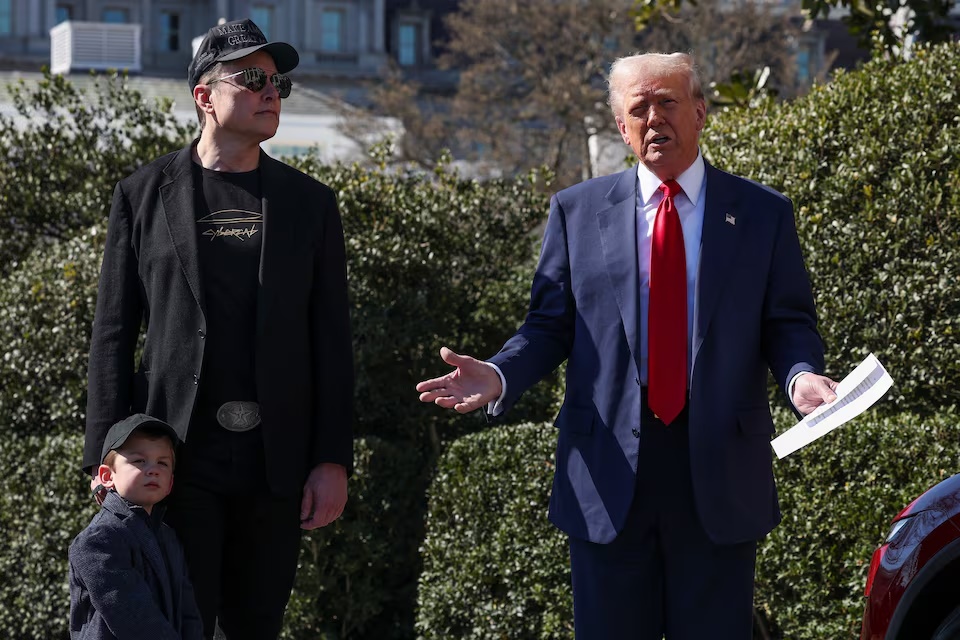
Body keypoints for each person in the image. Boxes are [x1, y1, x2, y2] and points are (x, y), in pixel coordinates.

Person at [416, 52, 839, 639]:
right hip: (607, 474)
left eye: (667, 102)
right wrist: (500, 374)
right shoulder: (576, 211)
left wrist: (801, 376)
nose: (653, 118)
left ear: (700, 112)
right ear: (621, 128)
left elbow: (786, 321)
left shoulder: (761, 212)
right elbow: (547, 325)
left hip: (718, 472)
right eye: (637, 108)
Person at [82, 18, 354, 640]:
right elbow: (113, 335)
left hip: (276, 461)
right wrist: (106, 456)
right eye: (252, 78)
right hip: (176, 459)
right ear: (205, 95)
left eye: (278, 81)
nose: (272, 93)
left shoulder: (310, 204)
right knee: (178, 622)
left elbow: (332, 343)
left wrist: (332, 460)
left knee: (256, 626)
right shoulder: (142, 193)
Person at [69, 413, 204, 640]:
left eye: (162, 462)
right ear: (106, 475)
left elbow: (188, 612)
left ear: (170, 482)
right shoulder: (98, 541)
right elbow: (131, 615)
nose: (153, 469)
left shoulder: (168, 536)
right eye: (139, 461)